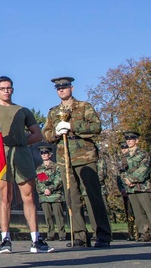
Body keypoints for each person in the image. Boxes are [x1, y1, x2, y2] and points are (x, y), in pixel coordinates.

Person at [42, 76, 112, 248]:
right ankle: (79, 235)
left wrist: (72, 126)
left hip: (84, 155)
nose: (61, 90)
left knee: (93, 196)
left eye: (64, 87)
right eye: (58, 88)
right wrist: (57, 133)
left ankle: (102, 234)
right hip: (64, 157)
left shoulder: (84, 106)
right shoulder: (53, 111)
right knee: (72, 197)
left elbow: (96, 127)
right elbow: (47, 135)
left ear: (71, 88)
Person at [0, 76, 51, 253]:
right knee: (5, 197)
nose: (6, 91)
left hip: (21, 153)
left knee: (29, 197)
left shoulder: (23, 110)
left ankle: (36, 239)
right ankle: (5, 239)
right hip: (1, 154)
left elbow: (37, 134)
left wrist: (22, 142)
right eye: (2, 88)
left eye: (9, 87)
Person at [35, 145, 66, 242]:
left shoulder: (56, 166)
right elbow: (40, 181)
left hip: (56, 195)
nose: (44, 155)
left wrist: (50, 189)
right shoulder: (40, 168)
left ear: (50, 154)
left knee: (58, 215)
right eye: (42, 153)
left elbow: (59, 179)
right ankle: (50, 234)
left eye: (46, 153)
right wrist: (45, 190)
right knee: (48, 216)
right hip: (45, 196)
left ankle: (62, 234)